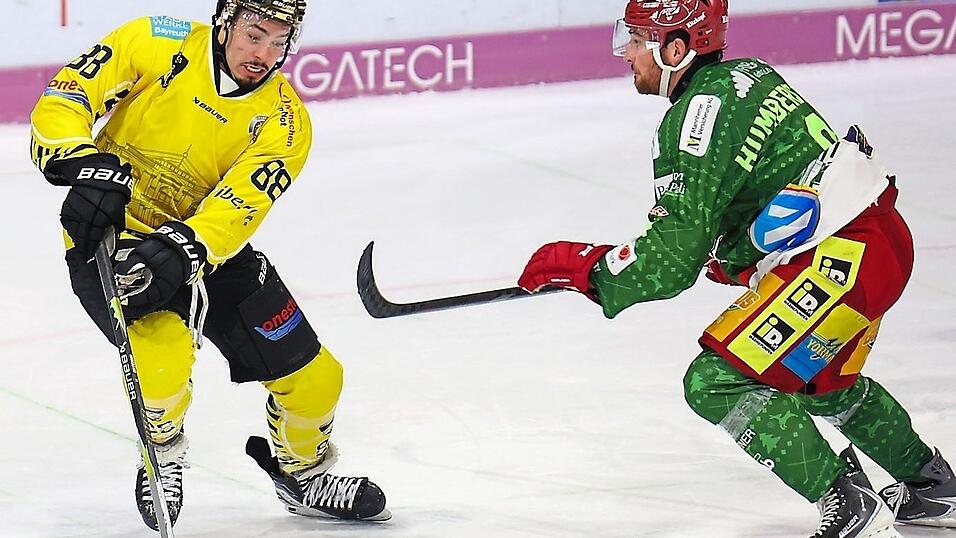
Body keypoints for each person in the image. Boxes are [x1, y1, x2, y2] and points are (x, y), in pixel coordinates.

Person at [517, 1, 955, 536]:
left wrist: (588, 267)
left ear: (675, 49)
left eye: (637, 38)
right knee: (820, 379)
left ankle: (848, 500)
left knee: (716, 383)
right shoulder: (751, 75)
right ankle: (932, 487)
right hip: (881, 239)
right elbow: (779, 186)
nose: (626, 51)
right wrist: (739, 254)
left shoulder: (694, 118)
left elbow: (670, 262)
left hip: (842, 257)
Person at [30, 0, 389, 530]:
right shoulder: (157, 39)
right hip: (112, 239)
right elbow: (67, 96)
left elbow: (238, 208)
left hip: (207, 251)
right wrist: (84, 165)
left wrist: (185, 247)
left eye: (279, 40)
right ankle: (163, 448)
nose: (264, 53)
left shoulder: (287, 123)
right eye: (254, 33)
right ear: (225, 20)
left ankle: (303, 472)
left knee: (318, 380)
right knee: (161, 366)